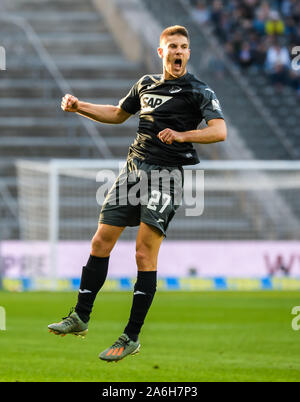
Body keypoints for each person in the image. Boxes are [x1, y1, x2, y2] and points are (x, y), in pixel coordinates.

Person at [48, 25, 227, 362]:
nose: (178, 52)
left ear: (189, 53)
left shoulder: (198, 90)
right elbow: (118, 114)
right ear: (161, 52)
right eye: (172, 46)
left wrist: (184, 135)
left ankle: (130, 336)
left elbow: (219, 132)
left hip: (165, 177)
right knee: (100, 241)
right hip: (132, 170)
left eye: (184, 47)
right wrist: (78, 106)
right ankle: (80, 317)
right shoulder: (145, 85)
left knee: (144, 254)